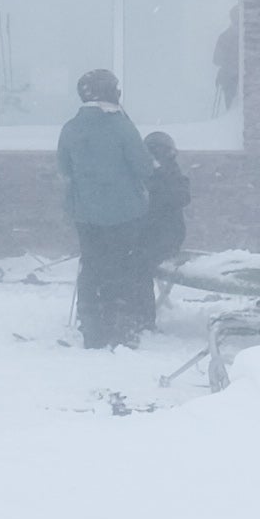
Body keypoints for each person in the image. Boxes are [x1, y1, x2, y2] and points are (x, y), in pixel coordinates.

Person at [57, 65, 155, 348]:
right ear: (111, 93)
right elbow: (144, 167)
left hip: (85, 213)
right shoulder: (121, 126)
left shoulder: (70, 128)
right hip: (124, 213)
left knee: (91, 265)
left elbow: (64, 168)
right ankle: (118, 326)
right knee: (121, 267)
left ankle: (91, 326)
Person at [136, 127, 191, 309]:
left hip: (166, 238)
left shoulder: (172, 175)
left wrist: (160, 180)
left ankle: (143, 314)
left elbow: (182, 197)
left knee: (141, 265)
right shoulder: (140, 175)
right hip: (143, 236)